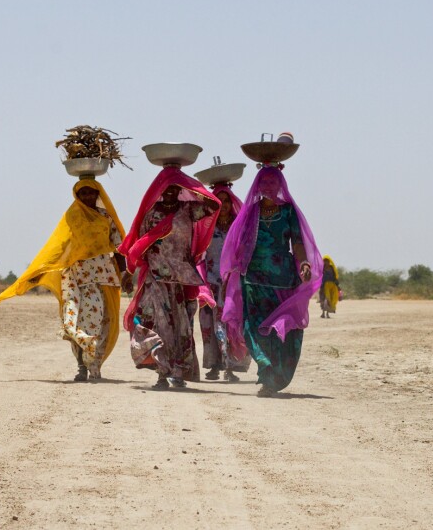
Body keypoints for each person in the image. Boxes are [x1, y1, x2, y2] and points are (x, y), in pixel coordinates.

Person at [0, 178, 132, 382]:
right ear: (77, 195)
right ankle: (82, 366)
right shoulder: (72, 217)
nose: (88, 196)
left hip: (102, 277)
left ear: (98, 194)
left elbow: (119, 247)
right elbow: (59, 245)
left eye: (91, 192)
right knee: (72, 319)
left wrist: (126, 272)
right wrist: (41, 269)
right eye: (83, 193)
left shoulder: (105, 217)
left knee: (99, 320)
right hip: (75, 276)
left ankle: (95, 365)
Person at [221, 165, 322, 397]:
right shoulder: (250, 212)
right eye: (263, 182)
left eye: (272, 182)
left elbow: (297, 242)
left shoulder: (288, 212)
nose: (268, 186)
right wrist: (233, 275)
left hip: (283, 278)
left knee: (281, 330)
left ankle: (276, 376)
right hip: (253, 278)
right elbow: (239, 245)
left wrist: (304, 263)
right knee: (253, 328)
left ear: (280, 185)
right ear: (257, 185)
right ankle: (265, 370)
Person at [119, 166, 220, 390]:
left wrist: (188, 183)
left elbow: (214, 206)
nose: (171, 191)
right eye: (166, 187)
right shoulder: (151, 214)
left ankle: (177, 372)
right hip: (155, 278)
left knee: (180, 327)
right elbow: (140, 244)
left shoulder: (188, 210)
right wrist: (129, 272)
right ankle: (162, 374)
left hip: (180, 280)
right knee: (155, 324)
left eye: (175, 187)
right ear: (160, 189)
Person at [198, 184, 251, 382]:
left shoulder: (238, 226)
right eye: (219, 200)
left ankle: (230, 366)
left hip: (232, 285)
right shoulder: (206, 225)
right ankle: (214, 366)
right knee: (210, 325)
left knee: (229, 324)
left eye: (227, 200)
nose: (225, 205)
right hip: (210, 283)